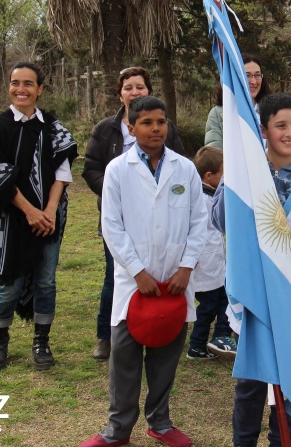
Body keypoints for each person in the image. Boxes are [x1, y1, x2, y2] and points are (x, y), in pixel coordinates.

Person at [79, 96, 208, 447]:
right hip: (132, 283)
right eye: (147, 122)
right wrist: (137, 272)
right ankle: (117, 429)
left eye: (161, 121)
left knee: (166, 356)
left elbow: (200, 221)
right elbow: (112, 226)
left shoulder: (184, 169)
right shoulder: (118, 171)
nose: (156, 128)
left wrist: (185, 267)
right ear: (131, 127)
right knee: (124, 356)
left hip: (175, 281)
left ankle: (161, 423)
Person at [212, 92, 291, 447]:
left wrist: (281, 265)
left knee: (288, 381)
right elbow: (220, 220)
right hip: (251, 296)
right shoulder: (244, 170)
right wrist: (232, 173)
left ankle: (282, 440)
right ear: (263, 129)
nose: (290, 132)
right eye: (280, 125)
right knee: (250, 384)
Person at [0, 61, 78, 370]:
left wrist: (50, 211)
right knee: (10, 284)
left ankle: (41, 341)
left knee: (45, 280)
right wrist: (30, 212)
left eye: (28, 83)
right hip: (10, 220)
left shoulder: (52, 126)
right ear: (9, 87)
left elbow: (62, 172)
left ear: (40, 89)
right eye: (15, 82)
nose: (21, 89)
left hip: (49, 218)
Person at [82, 67, 185, 360]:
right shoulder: (106, 129)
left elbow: (178, 167)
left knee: (158, 272)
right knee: (115, 275)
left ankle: (157, 324)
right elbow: (91, 169)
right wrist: (121, 194)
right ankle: (108, 334)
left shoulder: (165, 127)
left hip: (160, 217)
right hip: (117, 216)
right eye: (128, 87)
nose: (134, 92)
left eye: (140, 87)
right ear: (120, 94)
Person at [186, 146, 236, 359]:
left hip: (214, 262)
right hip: (204, 263)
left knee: (222, 299)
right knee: (207, 306)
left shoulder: (212, 195)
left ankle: (221, 336)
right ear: (209, 175)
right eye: (223, 174)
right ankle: (197, 345)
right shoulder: (201, 199)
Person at [204, 53, 271, 149]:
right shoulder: (218, 114)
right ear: (234, 78)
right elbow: (214, 155)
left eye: (257, 75)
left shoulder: (272, 110)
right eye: (247, 75)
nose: (254, 81)